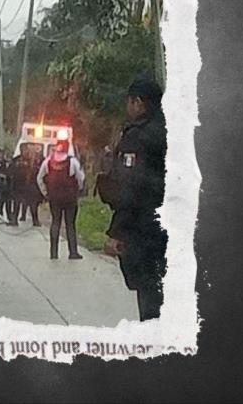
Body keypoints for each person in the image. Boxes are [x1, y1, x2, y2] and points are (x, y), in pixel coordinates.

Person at [97, 78, 168, 321]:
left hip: (145, 230)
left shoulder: (138, 138)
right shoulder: (174, 131)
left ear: (138, 103)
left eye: (129, 102)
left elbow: (132, 189)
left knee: (150, 299)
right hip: (177, 228)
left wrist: (116, 232)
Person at [37, 139, 85, 260]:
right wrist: (79, 189)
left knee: (55, 222)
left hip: (54, 197)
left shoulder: (48, 161)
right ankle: (73, 252)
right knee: (70, 224)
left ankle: (54, 253)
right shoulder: (72, 161)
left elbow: (39, 178)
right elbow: (81, 177)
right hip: (70, 198)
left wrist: (45, 193)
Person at [14, 146, 43, 226]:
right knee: (17, 203)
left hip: (31, 186)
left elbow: (37, 172)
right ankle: (14, 219)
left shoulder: (34, 161)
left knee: (33, 204)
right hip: (20, 185)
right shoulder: (18, 160)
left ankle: (35, 220)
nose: (27, 152)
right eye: (25, 150)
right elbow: (14, 171)